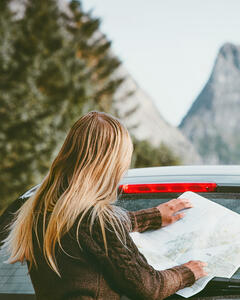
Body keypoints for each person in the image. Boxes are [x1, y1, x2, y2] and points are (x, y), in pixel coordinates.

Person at [3, 111, 207, 300]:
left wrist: (153, 217)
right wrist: (188, 272)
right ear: (111, 164)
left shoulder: (38, 210)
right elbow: (149, 286)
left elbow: (91, 231)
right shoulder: (97, 221)